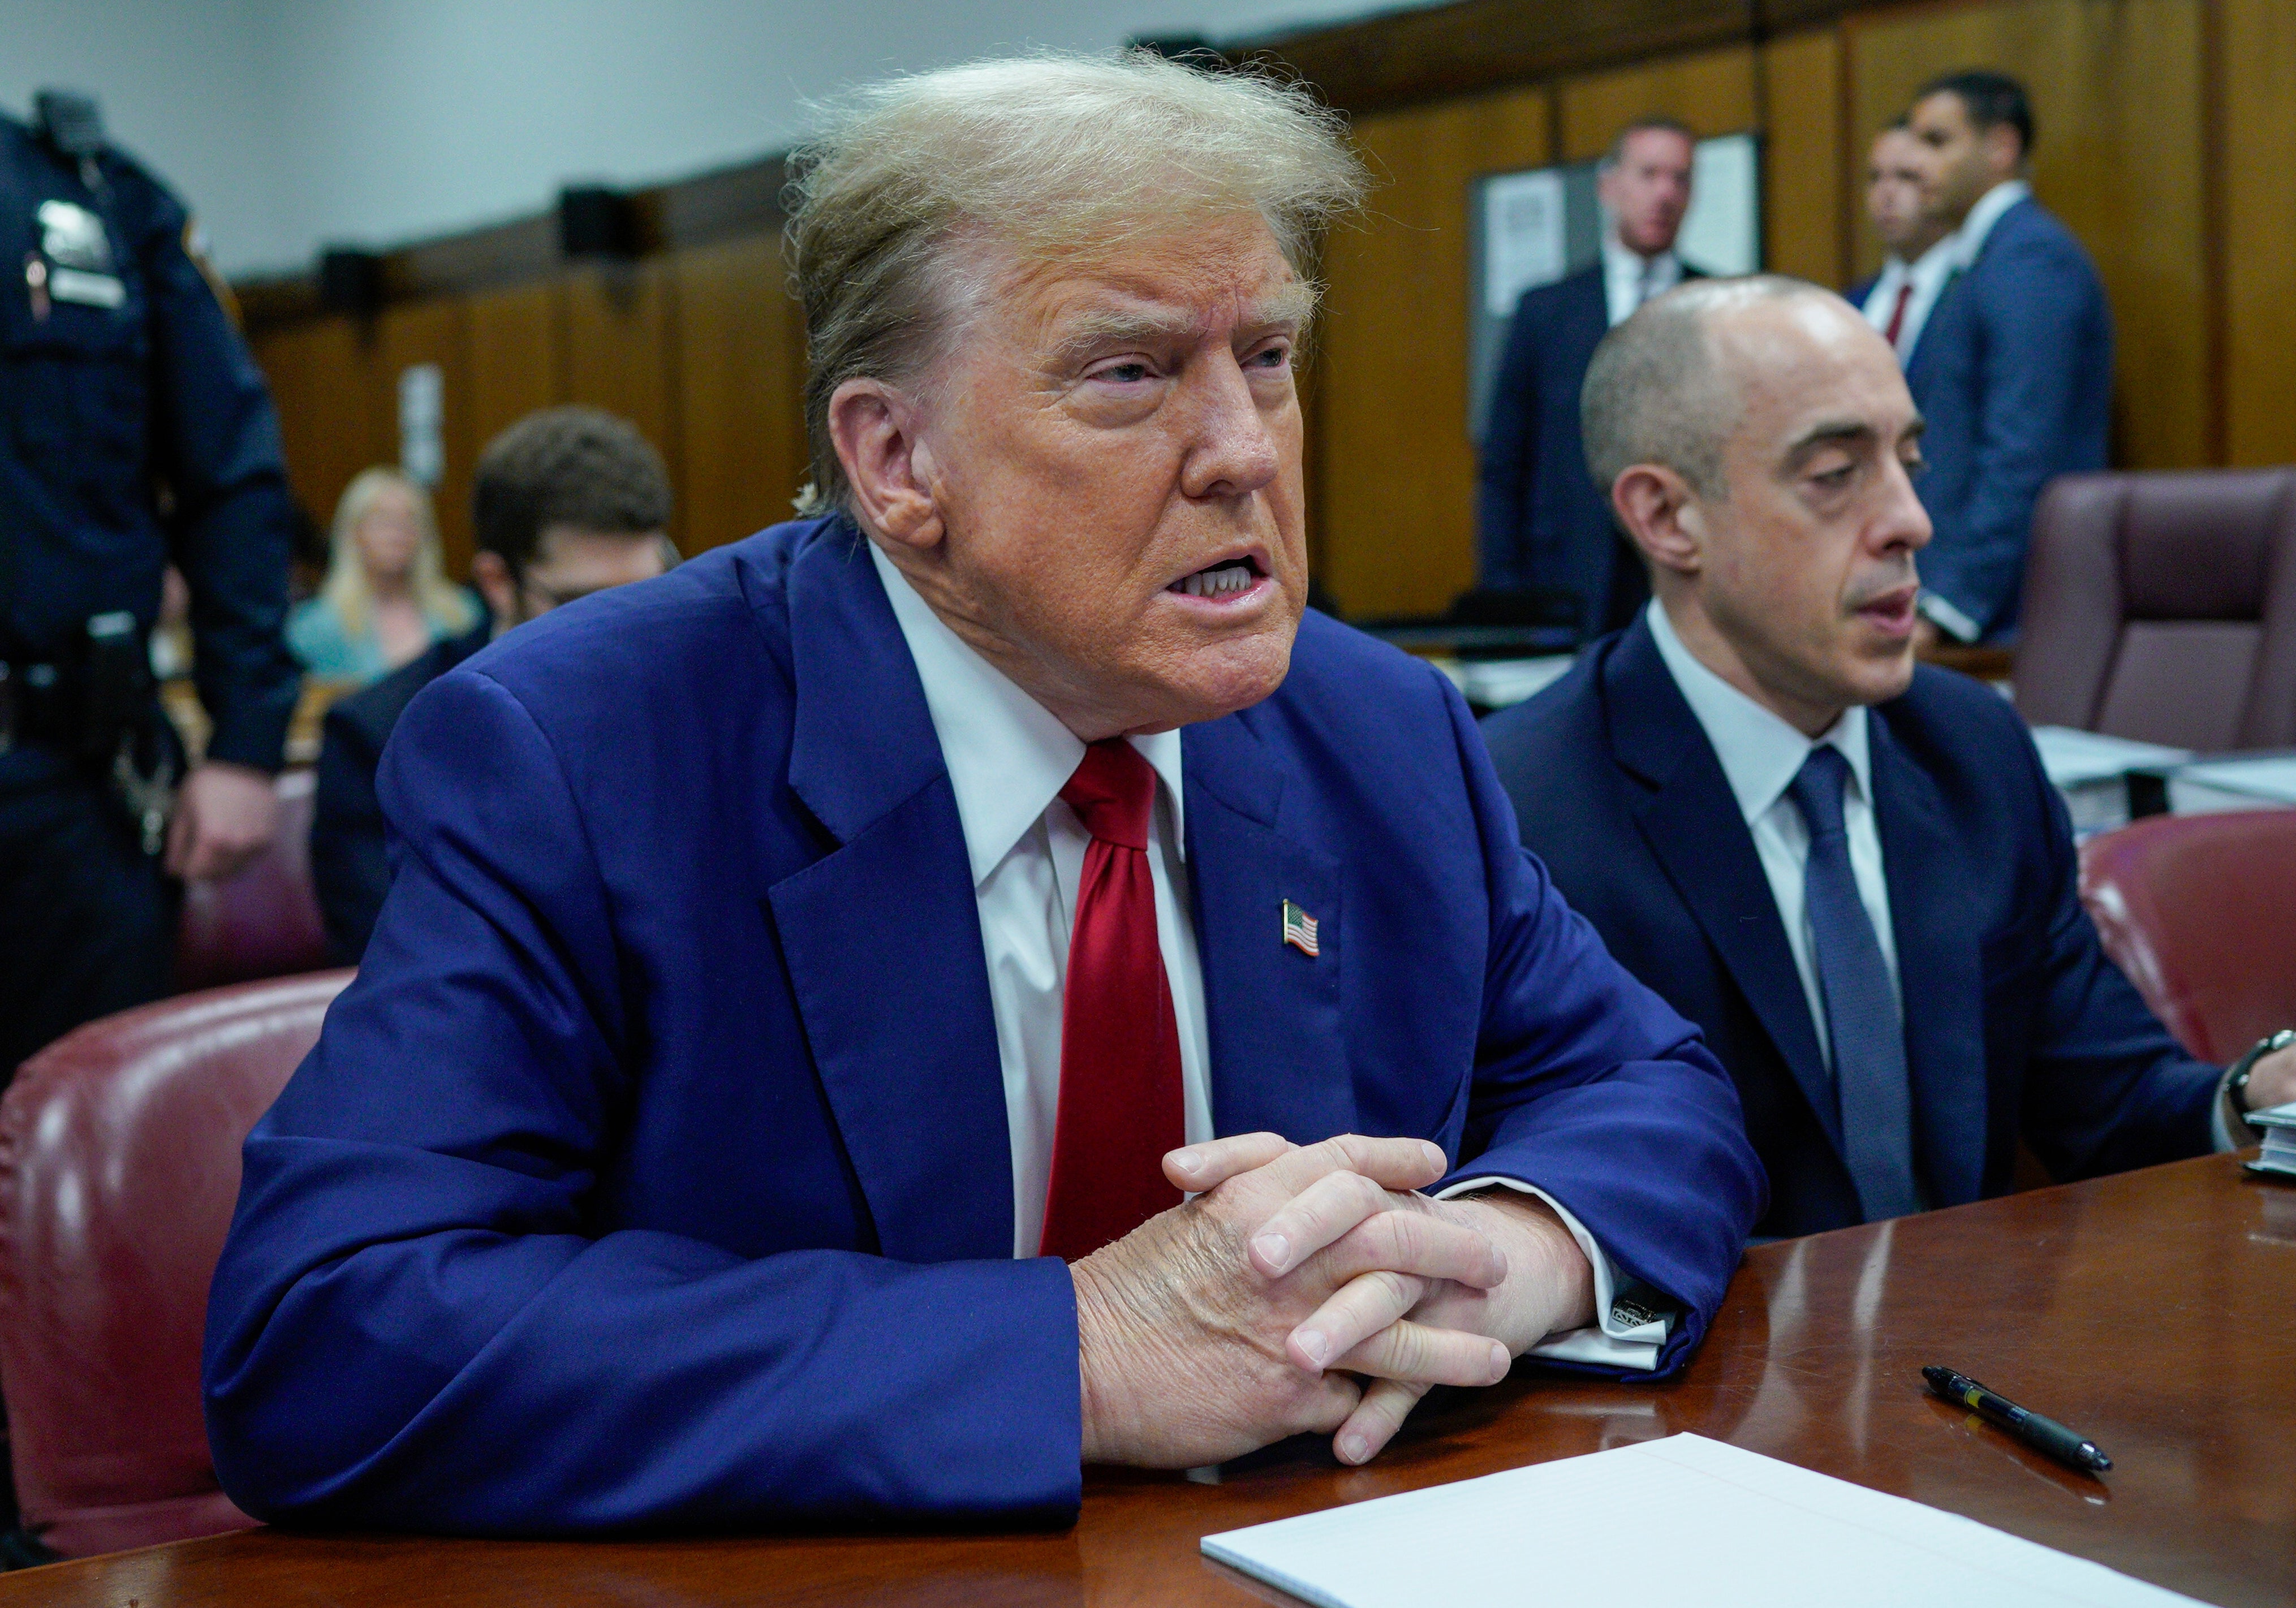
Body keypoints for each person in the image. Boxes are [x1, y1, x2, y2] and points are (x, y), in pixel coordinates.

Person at [203, 54, 1763, 1533]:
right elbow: (328, 1328)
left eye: (1268, 358)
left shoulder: (1382, 728)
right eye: (1130, 373)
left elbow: (1655, 1092)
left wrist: (1491, 1251)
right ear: (896, 461)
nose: (1242, 450)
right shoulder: (585, 750)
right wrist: (1071, 1354)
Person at [1484, 277, 2296, 1239]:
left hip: (1969, 1360)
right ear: (1669, 518)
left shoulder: (1973, 748)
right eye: (1836, 474)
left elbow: (2110, 1097)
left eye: (1910, 460)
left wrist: (2259, 1092)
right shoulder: (1523, 808)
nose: (1912, 521)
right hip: (1710, 1372)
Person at [0, 94, 300, 1080]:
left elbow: (232, 473)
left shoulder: (92, 195)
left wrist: (249, 741)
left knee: (64, 1148)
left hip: (63, 790)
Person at [311, 407, 674, 963]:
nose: (624, 637)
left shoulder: (686, 700)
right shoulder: (377, 734)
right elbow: (404, 971)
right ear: (497, 581)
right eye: (587, 604)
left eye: (648, 597)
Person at [1897, 70, 2112, 645]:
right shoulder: (1985, 257)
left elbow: (2021, 451)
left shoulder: (2030, 259)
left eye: (1936, 142)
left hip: (2006, 616)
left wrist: (1947, 608)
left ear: (1999, 148)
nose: (1916, 163)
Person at [1478, 117, 1704, 637]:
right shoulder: (1545, 312)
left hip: (1683, 567)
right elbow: (1504, 465)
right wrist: (1505, 593)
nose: (1665, 193)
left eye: (1681, 179)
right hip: (1565, 578)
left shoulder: (1713, 307)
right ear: (1609, 187)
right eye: (1649, 174)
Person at [284, 467, 479, 681]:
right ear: (354, 534)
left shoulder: (461, 614)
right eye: (382, 522)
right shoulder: (315, 627)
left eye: (408, 522)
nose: (396, 534)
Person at [1849, 122, 1954, 367]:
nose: (1886, 192)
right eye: (1875, 177)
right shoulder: (1853, 305)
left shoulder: (1971, 294)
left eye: (1907, 176)